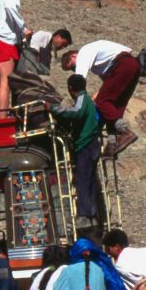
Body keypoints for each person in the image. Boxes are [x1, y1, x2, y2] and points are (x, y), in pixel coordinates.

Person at [61, 39, 146, 157]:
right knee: (114, 106)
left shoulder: (84, 52)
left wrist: (79, 103)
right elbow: (108, 82)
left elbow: (78, 80)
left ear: (73, 55)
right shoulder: (98, 61)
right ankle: (112, 143)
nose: (74, 69)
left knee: (102, 102)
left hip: (123, 64)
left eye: (73, 66)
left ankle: (124, 132)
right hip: (132, 66)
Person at [50, 74, 103, 230]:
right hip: (93, 145)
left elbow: (76, 112)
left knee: (83, 180)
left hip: (85, 145)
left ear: (71, 88)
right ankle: (94, 215)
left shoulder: (82, 99)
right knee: (91, 181)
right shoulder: (89, 101)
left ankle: (84, 216)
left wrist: (53, 108)